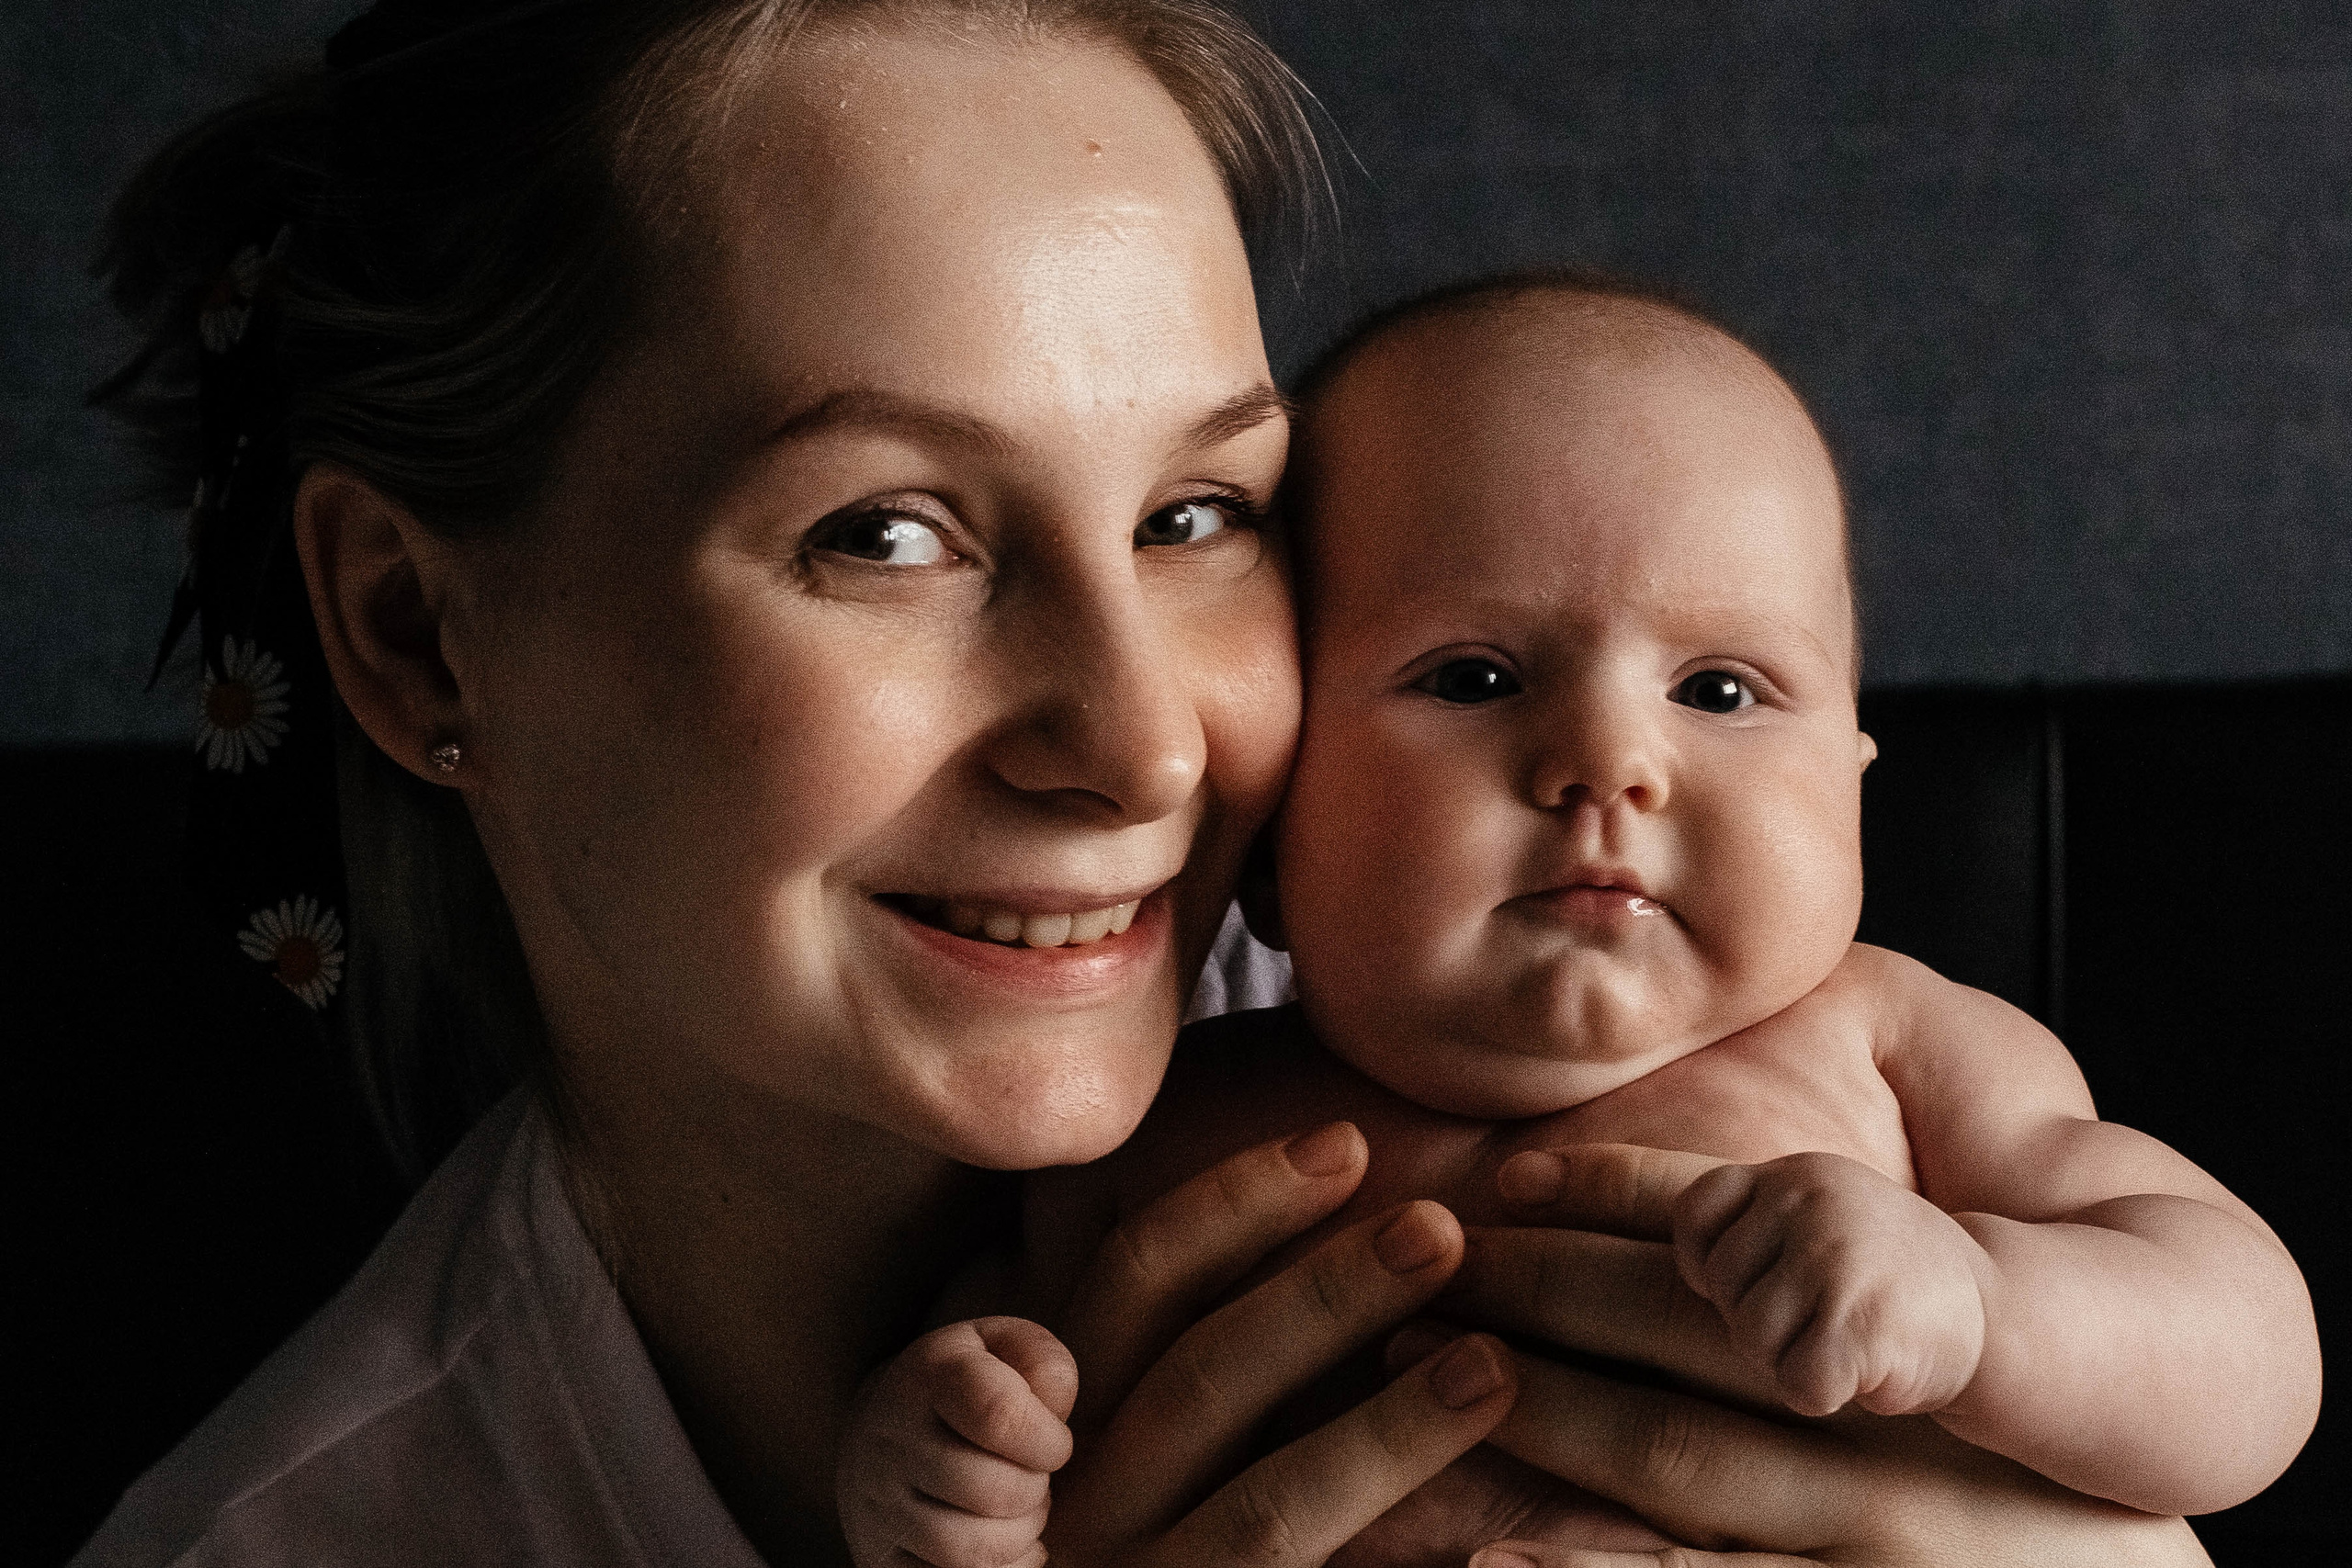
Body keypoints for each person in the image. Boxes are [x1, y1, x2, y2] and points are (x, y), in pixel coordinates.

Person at [73, 2, 2223, 1564]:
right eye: (884, 532)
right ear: (415, 631)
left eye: (1198, 513)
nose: (1141, 741)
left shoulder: (1581, 1004)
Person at [838, 277, 2317, 1565]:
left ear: (1855, 788)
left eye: (1721, 691)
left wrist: (1987, 1313)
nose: (1609, 763)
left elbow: (2250, 1362)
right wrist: (943, 1447)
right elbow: (1005, 1350)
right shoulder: (1163, 1119)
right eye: (1474, 679)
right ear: (1276, 828)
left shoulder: (1892, 1052)